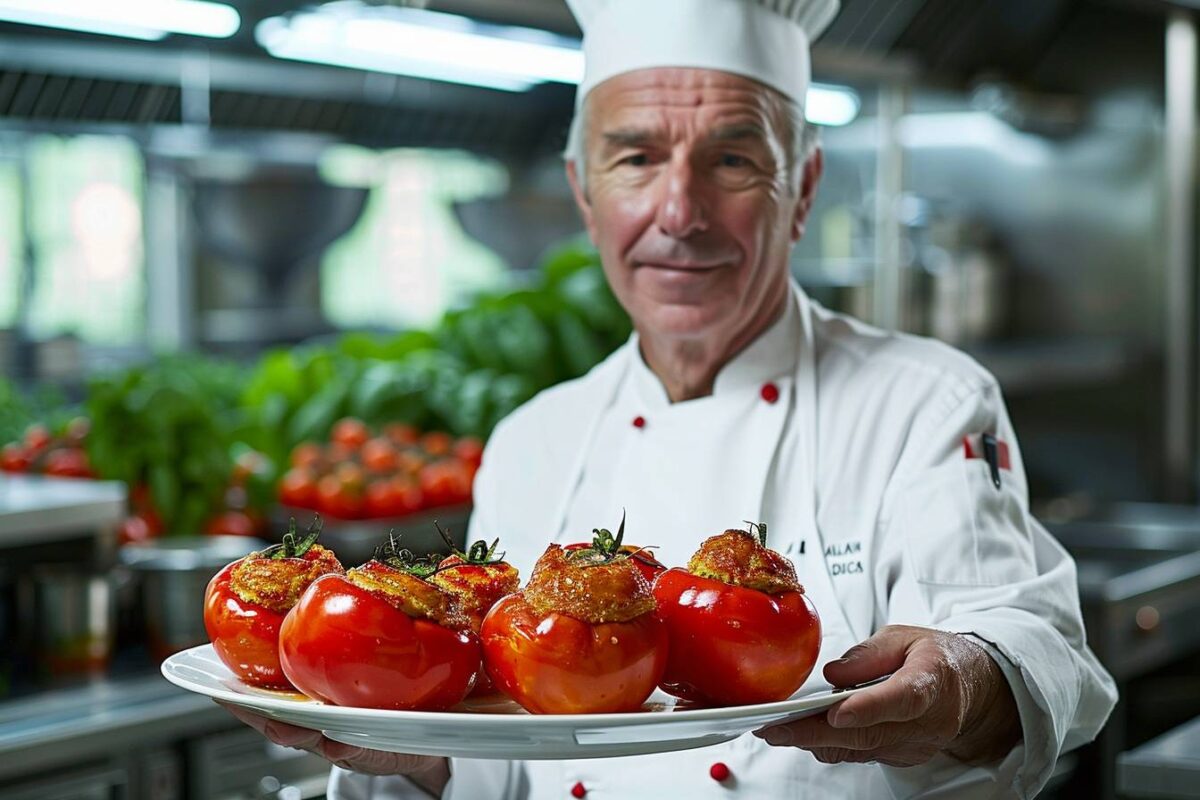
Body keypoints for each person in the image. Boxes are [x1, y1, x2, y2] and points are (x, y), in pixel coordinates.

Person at [222, 0, 1117, 796]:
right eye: (636, 158)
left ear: (801, 190)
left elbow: (1036, 645)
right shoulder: (537, 436)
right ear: (584, 191)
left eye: (731, 159)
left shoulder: (924, 400)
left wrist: (964, 679)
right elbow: (498, 748)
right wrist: (406, 748)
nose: (679, 212)